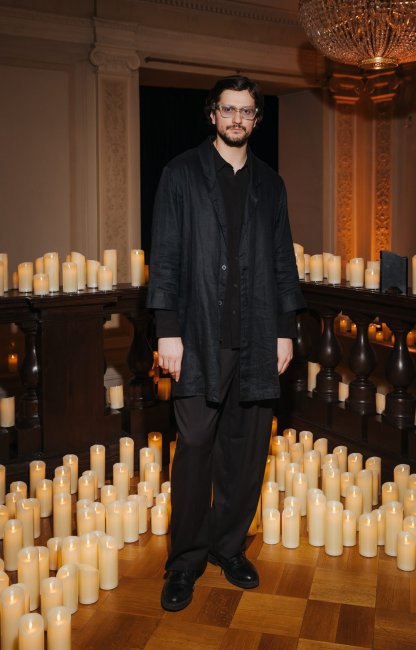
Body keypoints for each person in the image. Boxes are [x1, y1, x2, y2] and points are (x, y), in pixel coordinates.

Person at [147, 75, 305, 612]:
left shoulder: (271, 185)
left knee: (246, 450)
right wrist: (166, 328)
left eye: (247, 111)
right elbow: (165, 255)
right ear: (212, 114)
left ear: (256, 119)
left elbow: (283, 262)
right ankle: (185, 561)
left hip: (258, 337)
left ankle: (228, 546)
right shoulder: (180, 174)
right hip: (195, 337)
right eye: (228, 109)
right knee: (194, 447)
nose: (237, 118)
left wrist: (285, 330)